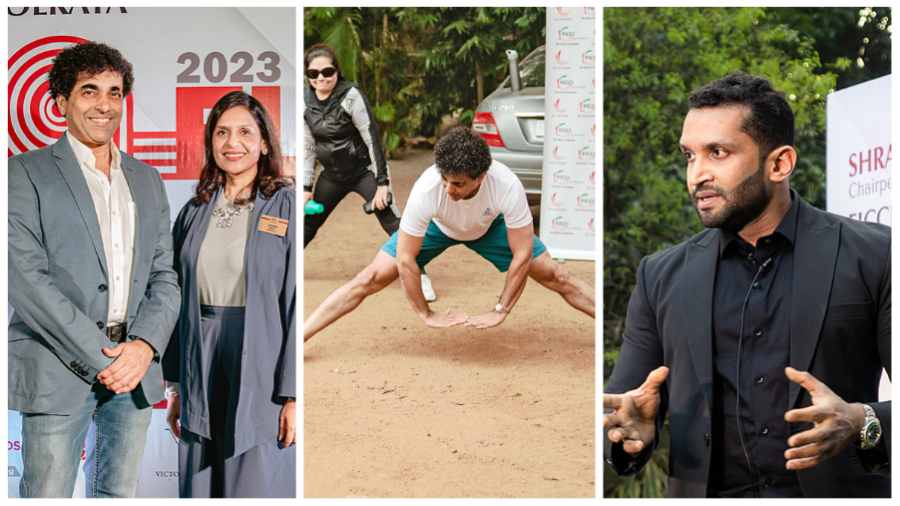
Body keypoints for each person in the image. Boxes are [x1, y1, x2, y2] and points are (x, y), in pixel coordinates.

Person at [603, 73, 890, 498]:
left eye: (717, 153)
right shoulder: (659, 276)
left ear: (779, 163)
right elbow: (622, 408)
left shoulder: (876, 255)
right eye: (689, 156)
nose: (697, 174)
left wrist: (862, 420)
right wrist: (629, 432)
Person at [8, 41, 180, 497]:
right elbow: (25, 281)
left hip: (135, 370)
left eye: (114, 92)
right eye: (89, 91)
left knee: (118, 495)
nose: (105, 105)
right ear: (61, 101)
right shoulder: (22, 174)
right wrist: (105, 356)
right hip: (57, 365)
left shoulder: (147, 179)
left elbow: (165, 275)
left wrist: (143, 346)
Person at [304, 126, 594, 342]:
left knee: (558, 276)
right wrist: (425, 314)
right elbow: (406, 259)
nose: (448, 189)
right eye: (444, 179)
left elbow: (522, 252)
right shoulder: (428, 188)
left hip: (490, 227)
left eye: (457, 184)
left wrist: (501, 309)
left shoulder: (506, 185)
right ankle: (301, 338)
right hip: (438, 226)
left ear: (480, 177)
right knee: (367, 278)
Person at [162, 91, 296, 498]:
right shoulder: (194, 209)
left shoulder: (283, 204)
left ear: (264, 142)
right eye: (222, 132)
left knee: (253, 472)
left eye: (243, 132)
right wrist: (176, 386)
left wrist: (293, 394)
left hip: (261, 353)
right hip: (198, 353)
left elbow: (292, 300)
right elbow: (173, 295)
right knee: (200, 477)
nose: (232, 143)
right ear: (210, 142)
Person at [303, 43, 437, 301]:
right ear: (307, 76)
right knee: (309, 222)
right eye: (314, 73)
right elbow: (309, 146)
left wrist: (382, 183)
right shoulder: (305, 101)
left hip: (363, 170)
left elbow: (372, 138)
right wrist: (307, 188)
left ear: (337, 71)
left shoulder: (351, 95)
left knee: (391, 219)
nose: (321, 78)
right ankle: (285, 270)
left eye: (327, 71)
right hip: (331, 175)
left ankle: (421, 275)